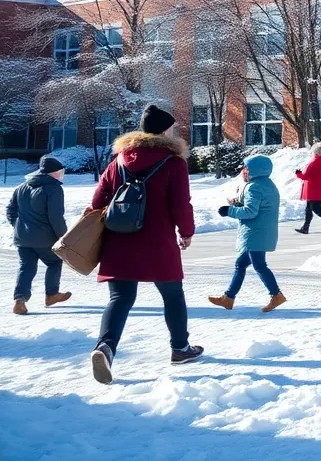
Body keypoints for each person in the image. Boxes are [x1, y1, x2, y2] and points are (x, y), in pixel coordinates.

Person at [88, 104, 202, 385]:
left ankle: (106, 347)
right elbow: (180, 204)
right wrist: (186, 232)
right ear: (165, 130)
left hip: (119, 238)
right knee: (172, 295)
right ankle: (180, 348)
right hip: (158, 240)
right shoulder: (174, 162)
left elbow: (97, 202)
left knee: (120, 298)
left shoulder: (119, 161)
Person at [208, 155, 286, 313]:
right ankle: (228, 298)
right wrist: (239, 203)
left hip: (255, 233)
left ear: (255, 170)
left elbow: (250, 211)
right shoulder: (267, 184)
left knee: (259, 266)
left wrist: (229, 210)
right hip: (262, 231)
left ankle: (276, 295)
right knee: (241, 264)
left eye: (247, 168)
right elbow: (260, 205)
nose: (244, 171)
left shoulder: (254, 187)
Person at [7, 155, 72, 315]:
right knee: (55, 262)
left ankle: (19, 301)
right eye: (60, 171)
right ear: (52, 172)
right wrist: (64, 238)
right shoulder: (54, 188)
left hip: (22, 237)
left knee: (26, 267)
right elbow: (56, 217)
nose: (61, 174)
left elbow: (10, 210)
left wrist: (17, 226)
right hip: (45, 239)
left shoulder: (22, 187)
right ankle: (51, 295)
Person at [294, 143, 321, 234]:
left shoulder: (313, 164)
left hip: (312, 191)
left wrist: (298, 174)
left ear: (315, 153)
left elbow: (305, 176)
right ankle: (305, 227)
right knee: (310, 209)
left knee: (314, 209)